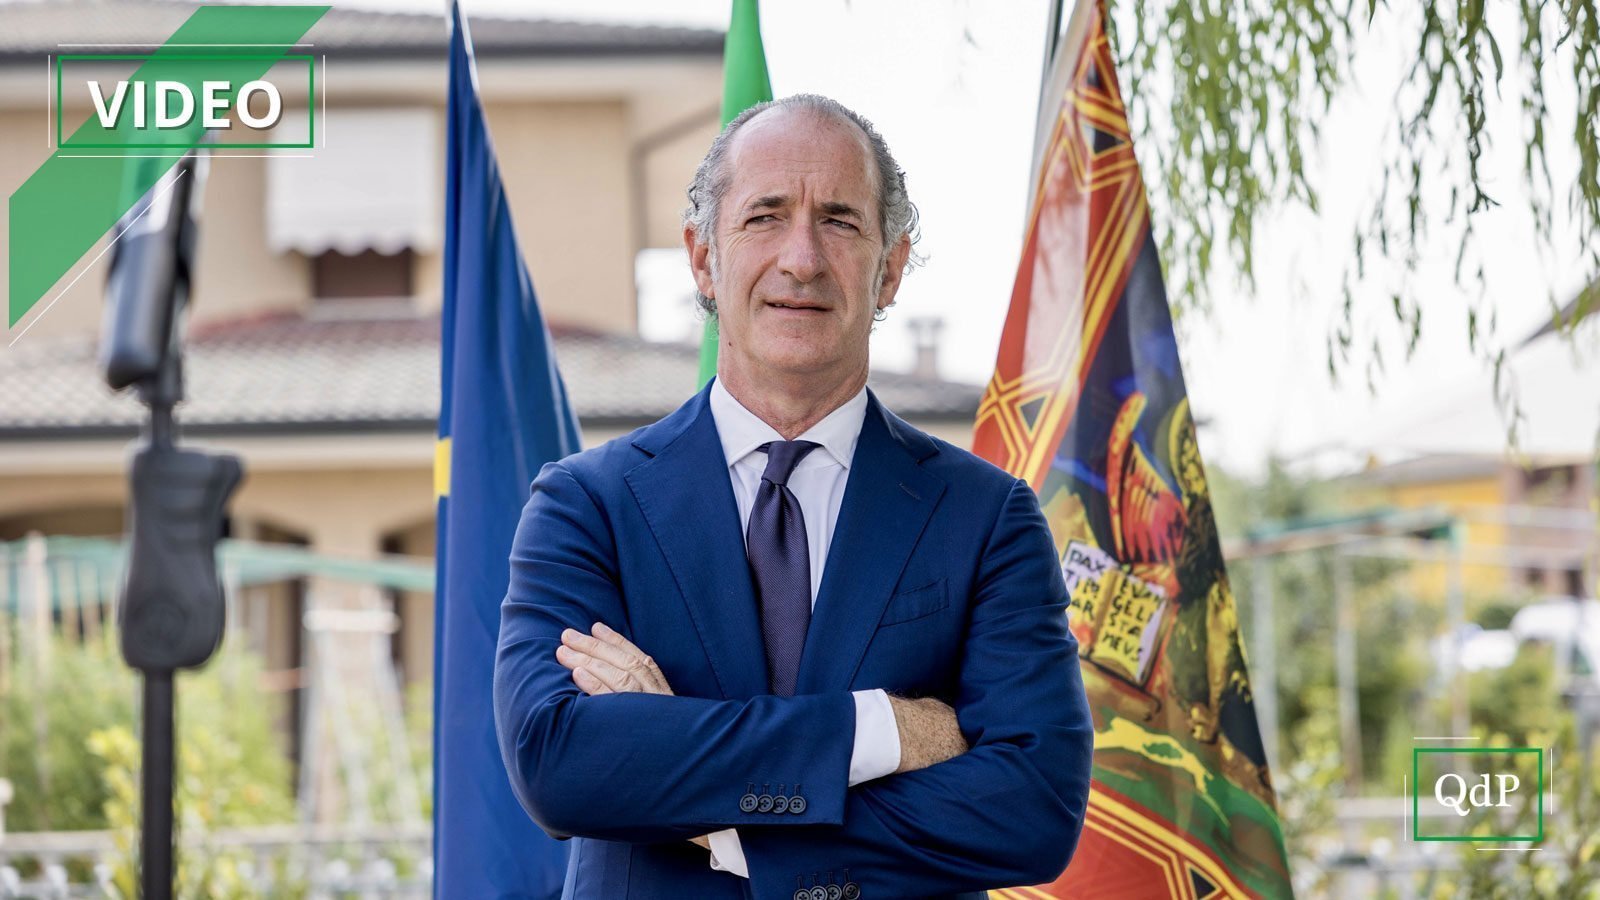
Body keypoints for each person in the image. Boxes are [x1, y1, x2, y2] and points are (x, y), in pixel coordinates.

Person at [493, 93, 1093, 900]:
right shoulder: (585, 506)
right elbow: (557, 761)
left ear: (889, 269)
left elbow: (1033, 807)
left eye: (840, 221)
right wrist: (881, 728)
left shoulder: (986, 519)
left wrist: (712, 806)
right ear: (703, 259)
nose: (802, 258)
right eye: (765, 217)